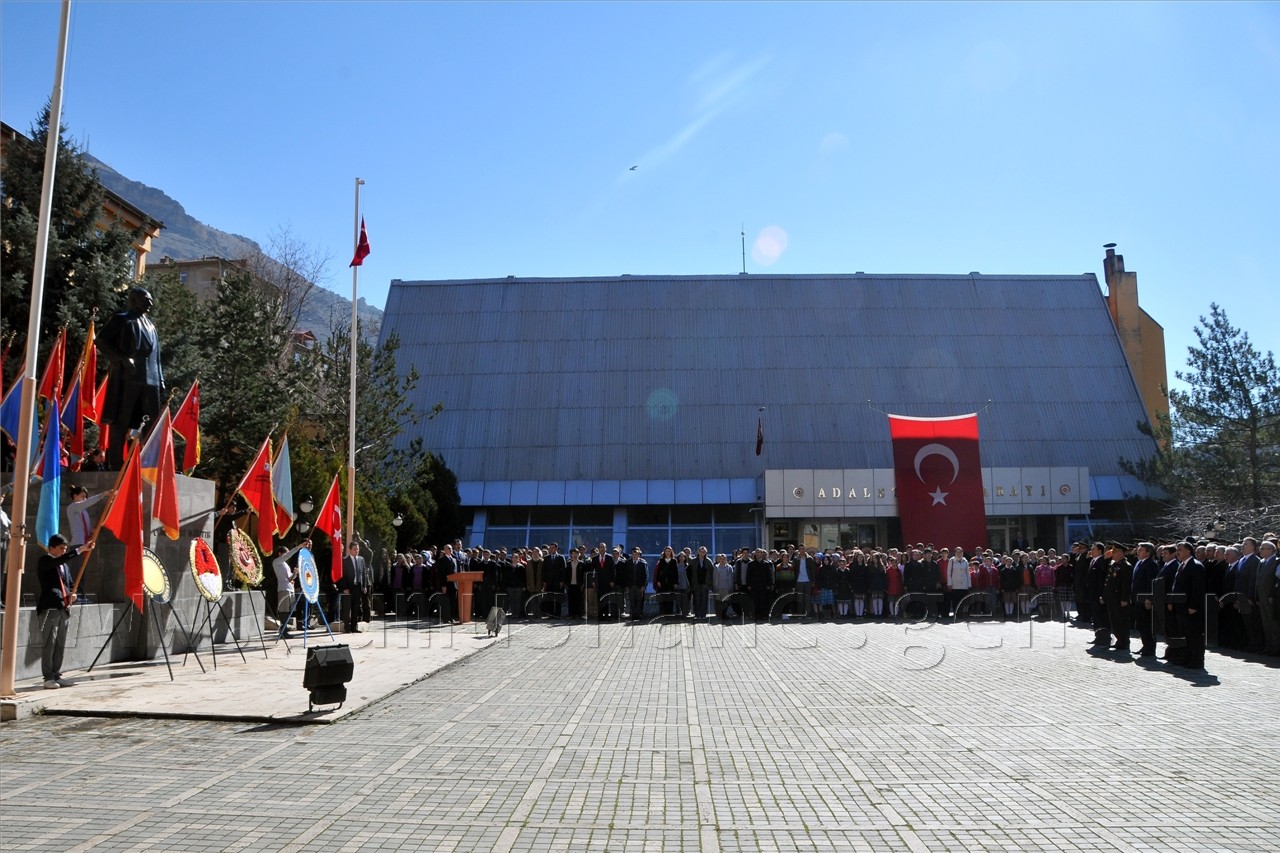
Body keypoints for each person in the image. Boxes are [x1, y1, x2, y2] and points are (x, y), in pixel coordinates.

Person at [96, 286, 165, 470]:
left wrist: (161, 380)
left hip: (151, 380)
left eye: (150, 300)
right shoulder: (121, 320)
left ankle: (150, 463)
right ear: (135, 300)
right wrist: (123, 359)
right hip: (129, 377)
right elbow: (101, 340)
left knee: (152, 422)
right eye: (146, 299)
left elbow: (156, 355)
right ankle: (116, 463)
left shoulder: (151, 325)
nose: (150, 303)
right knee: (122, 420)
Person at [37, 534, 95, 688]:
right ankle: (48, 677)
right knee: (50, 643)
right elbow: (58, 561)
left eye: (65, 549)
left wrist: (72, 594)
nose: (63, 551)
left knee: (60, 644)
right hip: (50, 606)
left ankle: (56, 675)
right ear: (51, 548)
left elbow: (69, 584)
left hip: (64, 607)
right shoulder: (45, 561)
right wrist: (80, 550)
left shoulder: (65, 566)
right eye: (61, 548)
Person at [1129, 542, 1160, 657]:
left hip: (1145, 600)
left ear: (1148, 552)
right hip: (1137, 599)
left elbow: (1151, 583)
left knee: (1148, 624)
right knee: (1141, 625)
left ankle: (1150, 648)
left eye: (1141, 550)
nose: (1138, 551)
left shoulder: (1151, 564)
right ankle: (1145, 645)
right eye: (1138, 549)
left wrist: (1149, 599)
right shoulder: (1139, 563)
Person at [272, 540, 309, 634]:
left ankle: (285, 629)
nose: (287, 555)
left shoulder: (285, 565)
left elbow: (289, 578)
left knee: (288, 610)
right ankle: (283, 630)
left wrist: (295, 573)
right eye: (285, 553)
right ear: (280, 553)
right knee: (284, 610)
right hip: (283, 589)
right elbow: (288, 556)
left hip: (289, 588)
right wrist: (299, 546)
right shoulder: (277, 562)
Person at [1103, 543, 1133, 654]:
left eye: (1114, 552)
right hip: (1112, 598)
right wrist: (1105, 595)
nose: (1112, 554)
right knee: (1114, 621)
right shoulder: (1114, 565)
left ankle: (1124, 642)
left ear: (1120, 553)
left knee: (1122, 621)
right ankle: (1119, 640)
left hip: (1119, 599)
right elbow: (1108, 582)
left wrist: (1124, 599)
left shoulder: (1126, 566)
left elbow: (1126, 585)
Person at [341, 542, 370, 632]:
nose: (356, 551)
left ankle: (354, 627)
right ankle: (347, 627)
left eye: (357, 549)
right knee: (347, 607)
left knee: (355, 608)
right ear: (350, 550)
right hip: (349, 587)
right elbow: (342, 576)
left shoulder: (361, 559)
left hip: (358, 587)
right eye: (354, 549)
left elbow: (364, 573)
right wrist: (344, 588)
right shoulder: (345, 560)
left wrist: (364, 586)